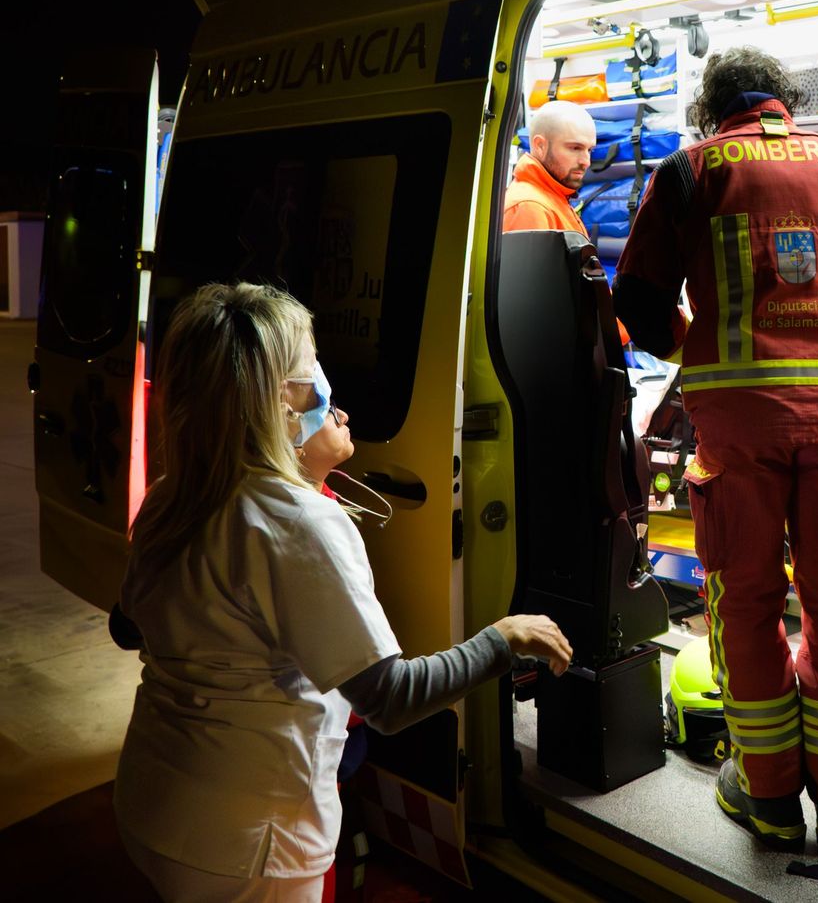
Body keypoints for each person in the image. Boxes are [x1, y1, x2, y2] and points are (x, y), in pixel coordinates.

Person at [114, 282, 573, 902]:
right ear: (278, 402)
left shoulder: (172, 497)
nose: (332, 394)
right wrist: (503, 638)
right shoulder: (297, 523)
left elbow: (128, 625)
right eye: (313, 375)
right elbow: (388, 698)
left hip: (152, 799)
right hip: (248, 839)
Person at [613, 47, 818, 857]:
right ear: (788, 103)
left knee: (743, 607)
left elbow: (636, 302)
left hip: (737, 429)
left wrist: (693, 346)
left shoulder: (688, 171)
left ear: (714, 109)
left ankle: (771, 797)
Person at [502, 98, 596, 232]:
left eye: (590, 150)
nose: (586, 162)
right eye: (575, 148)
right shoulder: (530, 207)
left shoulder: (551, 196)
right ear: (540, 146)